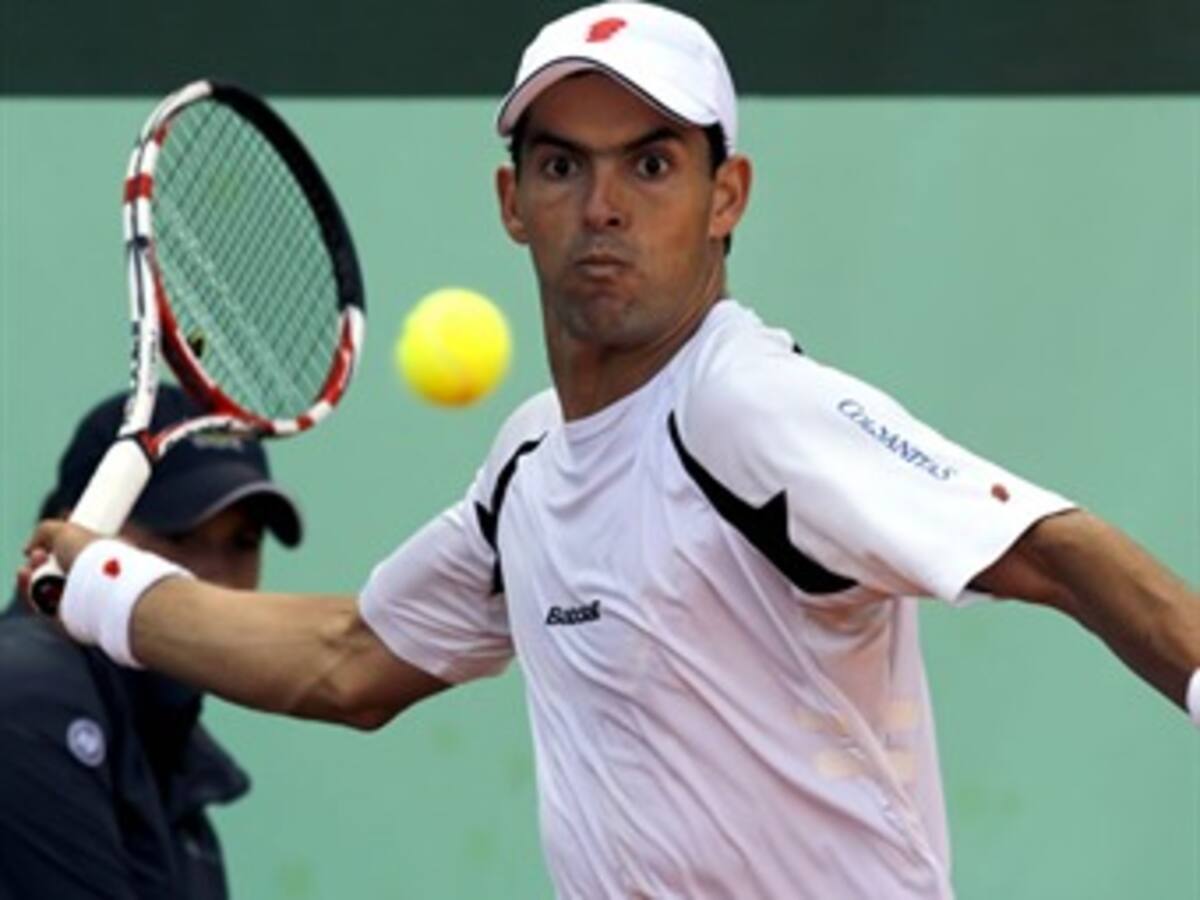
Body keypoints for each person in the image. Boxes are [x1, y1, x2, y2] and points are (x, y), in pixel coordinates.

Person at [19, 3, 1199, 897]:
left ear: (726, 196)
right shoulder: (529, 470)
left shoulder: (747, 409)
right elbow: (351, 658)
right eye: (562, 166)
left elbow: (1056, 550)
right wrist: (98, 583)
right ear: (511, 202)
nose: (603, 206)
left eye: (651, 162)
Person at [2, 386, 303, 900]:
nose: (216, 580)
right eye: (178, 536)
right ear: (72, 536)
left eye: (243, 542)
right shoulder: (25, 691)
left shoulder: (174, 760)